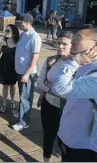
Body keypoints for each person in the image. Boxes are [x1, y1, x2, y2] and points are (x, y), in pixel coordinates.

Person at [49, 28, 97, 162]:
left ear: (96, 46)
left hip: (84, 145)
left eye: (78, 38)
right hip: (69, 136)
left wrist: (74, 61)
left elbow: (60, 88)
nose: (72, 42)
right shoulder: (86, 64)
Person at [36, 31, 74, 162]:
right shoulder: (50, 61)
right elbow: (39, 82)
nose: (61, 46)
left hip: (67, 110)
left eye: (65, 44)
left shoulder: (76, 65)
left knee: (64, 141)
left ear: (72, 46)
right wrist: (52, 91)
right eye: (59, 43)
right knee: (48, 136)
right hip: (48, 105)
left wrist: (53, 88)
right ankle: (45, 160)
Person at [13, 13, 42, 131]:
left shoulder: (35, 37)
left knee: (25, 97)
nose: (18, 24)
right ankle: (21, 113)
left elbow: (35, 57)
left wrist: (27, 73)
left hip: (27, 73)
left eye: (20, 22)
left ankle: (24, 122)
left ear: (27, 22)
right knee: (22, 95)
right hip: (19, 70)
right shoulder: (23, 34)